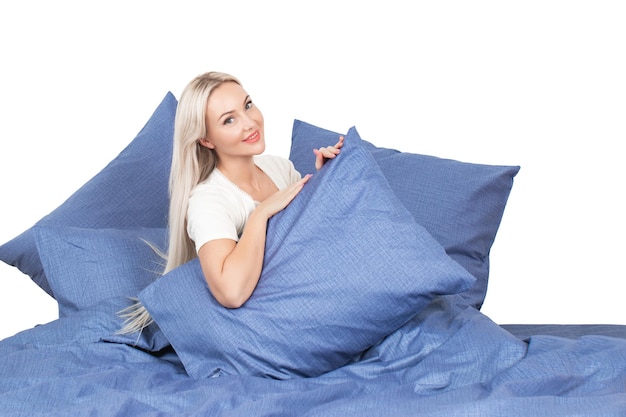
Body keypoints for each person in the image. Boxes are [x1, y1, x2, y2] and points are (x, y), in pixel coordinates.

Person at [120, 71, 343, 333]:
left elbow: (315, 233)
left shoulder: (278, 167)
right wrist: (260, 215)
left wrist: (326, 177)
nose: (250, 122)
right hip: (270, 322)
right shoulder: (208, 200)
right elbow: (231, 292)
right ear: (206, 139)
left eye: (247, 105)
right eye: (229, 120)